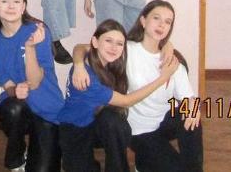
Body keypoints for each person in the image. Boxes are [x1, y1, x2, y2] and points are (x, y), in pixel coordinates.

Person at [73, 1, 203, 172]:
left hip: (163, 123)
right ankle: (146, 162)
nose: (161, 25)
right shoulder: (127, 50)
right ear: (143, 20)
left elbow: (189, 97)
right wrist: (79, 65)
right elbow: (82, 48)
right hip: (139, 130)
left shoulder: (172, 62)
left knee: (192, 115)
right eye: (156, 18)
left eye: (167, 22)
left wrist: (193, 106)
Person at [58, 19, 178, 172]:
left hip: (116, 122)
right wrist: (163, 78)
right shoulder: (89, 77)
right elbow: (127, 101)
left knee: (115, 123)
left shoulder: (175, 66)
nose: (114, 47)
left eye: (119, 43)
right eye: (108, 41)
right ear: (95, 42)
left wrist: (167, 45)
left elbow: (189, 97)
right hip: (80, 130)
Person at [0, 0, 64, 172]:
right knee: (12, 109)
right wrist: (15, 90)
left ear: (23, 7)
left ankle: (44, 147)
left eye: (16, 1)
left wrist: (29, 47)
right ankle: (16, 157)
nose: (11, 6)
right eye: (4, 1)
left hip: (47, 110)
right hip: (21, 112)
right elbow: (7, 84)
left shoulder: (38, 31)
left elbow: (36, 82)